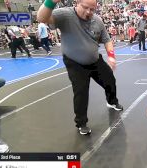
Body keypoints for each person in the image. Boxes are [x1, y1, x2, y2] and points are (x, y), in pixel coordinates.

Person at [37, 0, 123, 135]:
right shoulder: (65, 15)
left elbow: (106, 40)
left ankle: (112, 102)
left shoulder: (97, 21)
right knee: (81, 92)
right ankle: (81, 123)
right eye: (85, 7)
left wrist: (111, 56)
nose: (88, 12)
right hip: (75, 62)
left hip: (94, 61)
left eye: (92, 9)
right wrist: (51, 2)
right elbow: (41, 18)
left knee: (110, 81)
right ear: (77, 3)